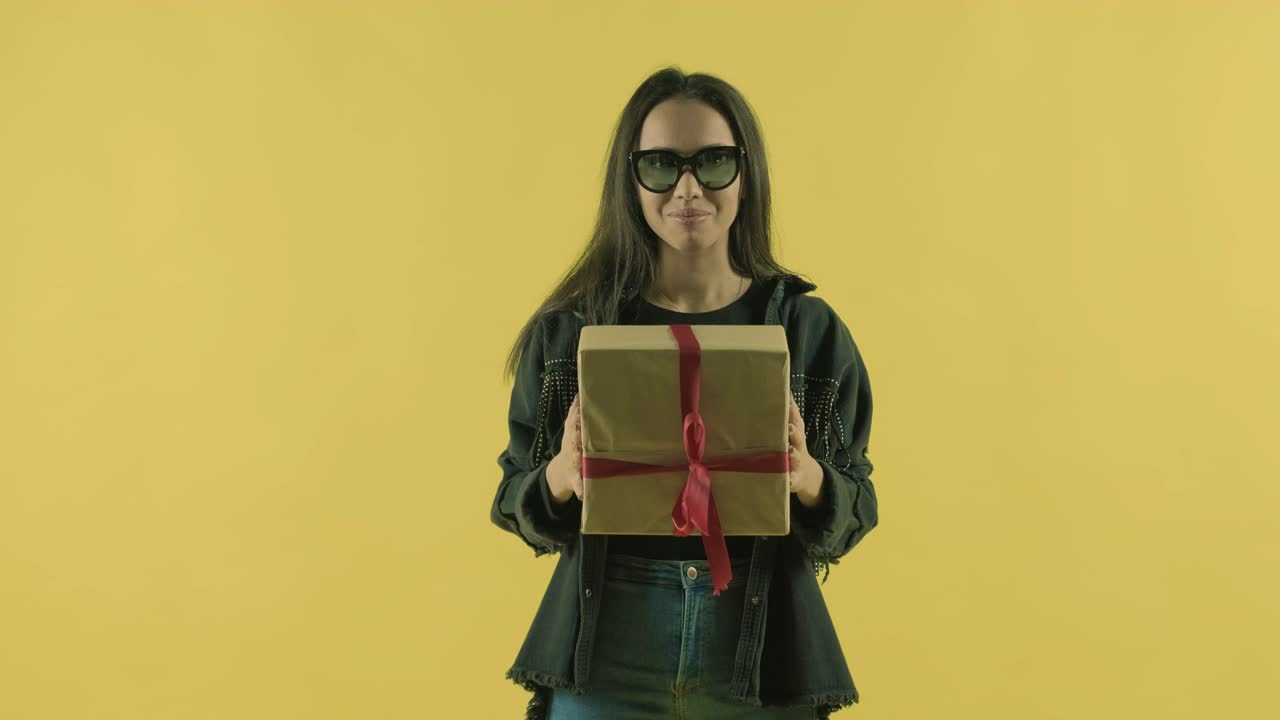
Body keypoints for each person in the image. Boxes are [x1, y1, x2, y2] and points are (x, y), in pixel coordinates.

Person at [491, 67, 879, 720]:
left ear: (746, 173)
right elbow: (512, 500)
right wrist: (560, 474)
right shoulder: (572, 334)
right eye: (662, 166)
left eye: (714, 163)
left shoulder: (808, 334)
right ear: (630, 179)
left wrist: (808, 475)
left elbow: (856, 507)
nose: (689, 188)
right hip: (608, 636)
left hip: (757, 647)